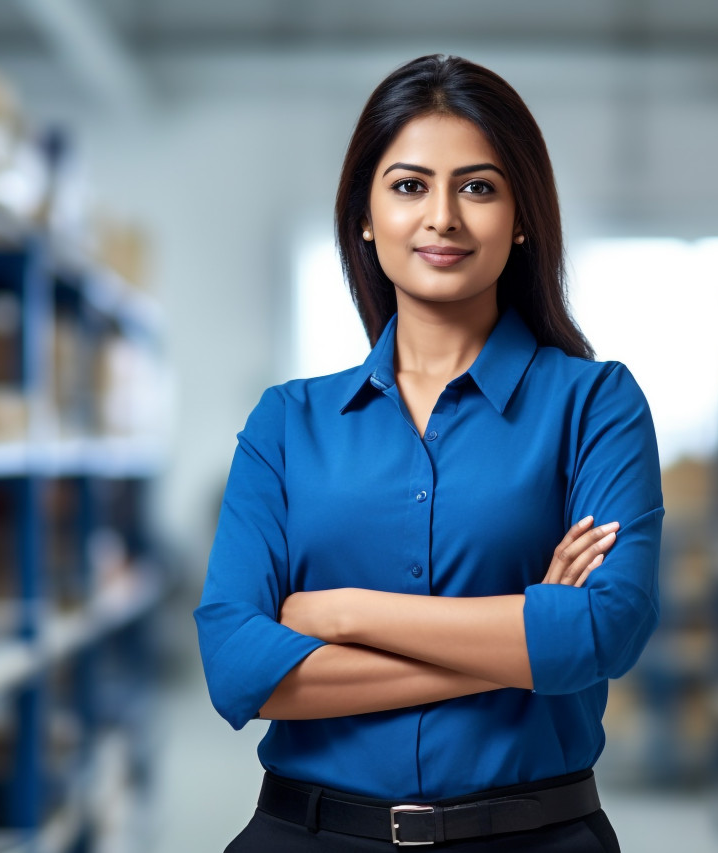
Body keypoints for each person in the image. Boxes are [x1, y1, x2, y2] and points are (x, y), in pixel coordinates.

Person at [194, 53, 663, 852]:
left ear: (521, 217)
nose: (442, 216)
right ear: (366, 217)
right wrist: (520, 642)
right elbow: (238, 666)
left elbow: (603, 632)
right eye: (409, 185)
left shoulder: (596, 404)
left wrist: (341, 614)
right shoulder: (286, 422)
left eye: (477, 187)